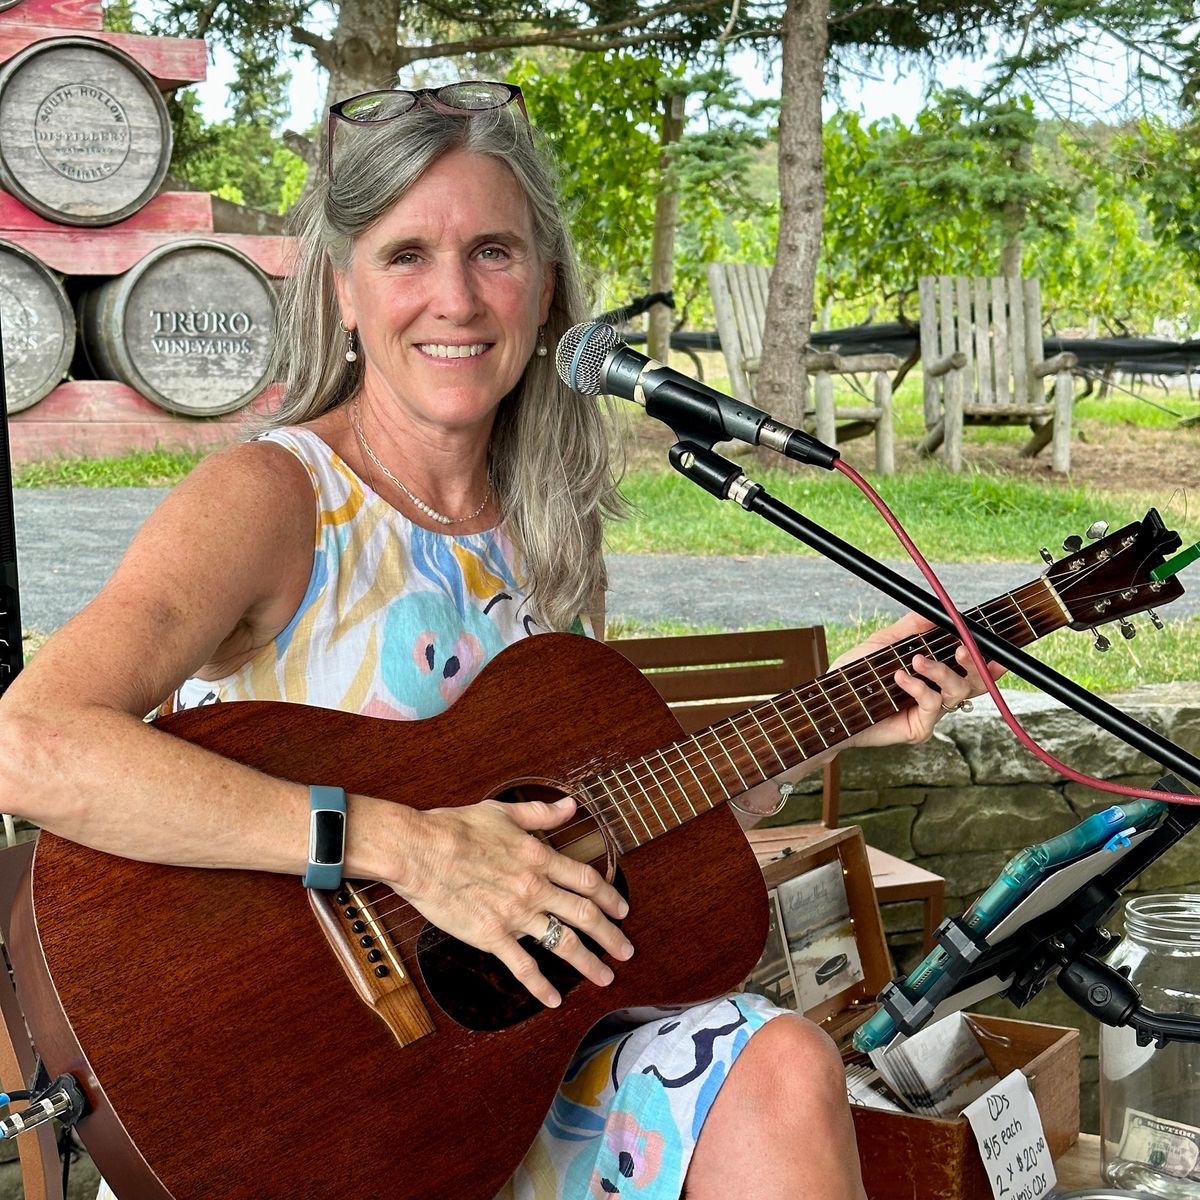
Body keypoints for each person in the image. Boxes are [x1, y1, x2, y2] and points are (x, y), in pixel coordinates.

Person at [0, 82, 991, 1200]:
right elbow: (30, 745)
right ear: (345, 290)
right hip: (314, 1074)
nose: (456, 300)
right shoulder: (275, 498)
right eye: (407, 255)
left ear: (548, 288)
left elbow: (594, 819)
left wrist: (838, 712)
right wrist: (408, 847)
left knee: (784, 1065)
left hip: (519, 1068)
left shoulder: (551, 527)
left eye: (493, 252)